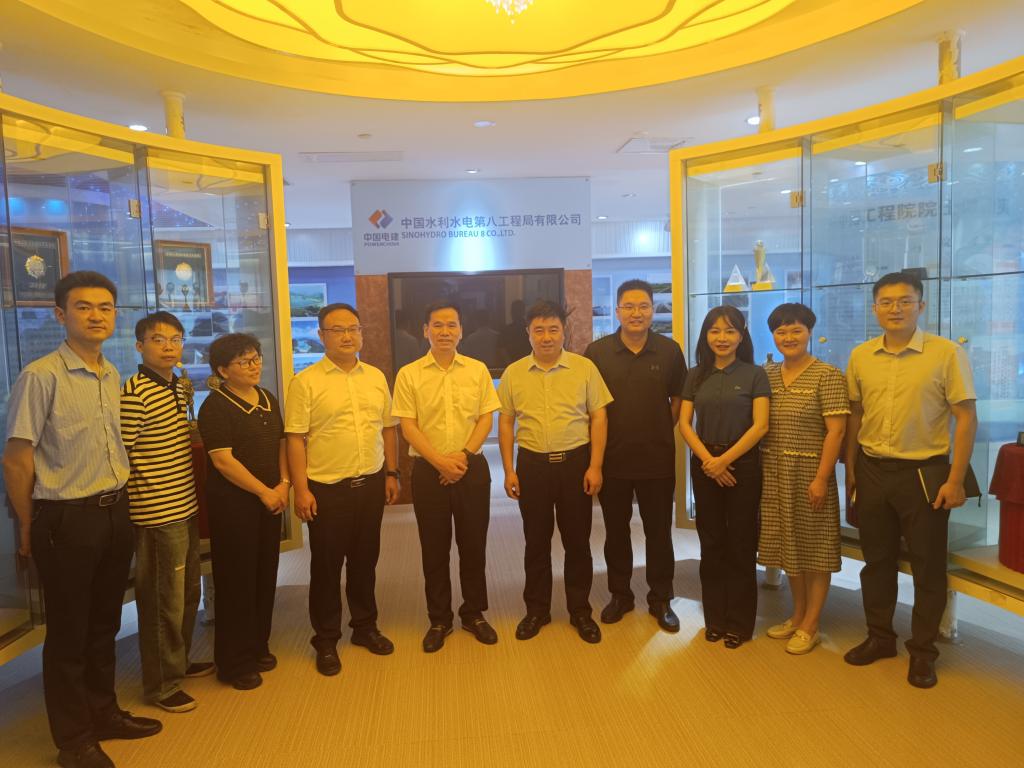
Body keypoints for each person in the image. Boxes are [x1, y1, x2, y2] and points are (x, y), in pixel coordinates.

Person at [3, 271, 161, 768]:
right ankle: (73, 742)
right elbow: (17, 460)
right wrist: (27, 526)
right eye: (84, 307)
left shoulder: (111, 372)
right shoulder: (41, 376)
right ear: (60, 314)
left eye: (105, 307)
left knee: (104, 624)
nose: (96, 316)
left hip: (114, 511)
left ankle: (103, 713)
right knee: (69, 634)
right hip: (65, 518)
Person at [844, 272, 977, 688]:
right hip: (871, 469)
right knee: (876, 562)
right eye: (886, 302)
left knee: (927, 567)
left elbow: (966, 417)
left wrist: (956, 480)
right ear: (874, 309)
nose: (895, 309)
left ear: (921, 306)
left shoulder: (946, 353)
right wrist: (851, 472)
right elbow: (855, 416)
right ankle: (880, 637)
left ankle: (922, 652)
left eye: (905, 301)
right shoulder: (861, 355)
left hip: (924, 473)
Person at [285, 303, 400, 677]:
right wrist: (301, 490)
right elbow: (295, 439)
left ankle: (365, 627)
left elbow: (388, 428)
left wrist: (391, 473)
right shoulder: (305, 382)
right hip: (327, 488)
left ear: (362, 333)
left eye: (353, 328)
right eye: (337, 330)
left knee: (365, 561)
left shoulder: (375, 377)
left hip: (370, 483)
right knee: (326, 566)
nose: (347, 336)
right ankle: (326, 639)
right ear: (321, 336)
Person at [498, 300, 613, 644]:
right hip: (532, 465)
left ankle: (580, 611)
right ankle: (537, 610)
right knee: (536, 542)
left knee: (577, 542)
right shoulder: (514, 372)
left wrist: (595, 465)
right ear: (528, 333)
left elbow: (599, 416)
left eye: (553, 329)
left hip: (575, 464)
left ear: (564, 331)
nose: (546, 337)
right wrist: (509, 470)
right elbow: (506, 422)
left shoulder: (584, 368)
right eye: (539, 330)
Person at [391, 301, 501, 653]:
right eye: (437, 325)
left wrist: (462, 457)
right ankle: (439, 619)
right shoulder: (409, 374)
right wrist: (440, 462)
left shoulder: (477, 370)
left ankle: (474, 613)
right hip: (428, 470)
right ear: (425, 330)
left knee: (473, 545)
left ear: (461, 330)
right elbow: (408, 426)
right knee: (434, 548)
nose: (445, 331)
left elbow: (486, 418)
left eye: (451, 325)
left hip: (472, 467)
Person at [121, 311, 214, 714]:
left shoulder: (178, 385)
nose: (169, 346)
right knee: (163, 601)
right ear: (139, 346)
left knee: (187, 592)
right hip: (156, 512)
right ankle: (161, 684)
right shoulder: (134, 392)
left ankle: (178, 662)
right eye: (158, 339)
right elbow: (121, 454)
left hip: (185, 505)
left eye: (176, 339)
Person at [584, 279, 687, 632]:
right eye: (628, 306)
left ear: (653, 310)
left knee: (659, 533)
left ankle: (661, 599)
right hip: (613, 459)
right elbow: (590, 407)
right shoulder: (597, 353)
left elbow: (678, 399)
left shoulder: (669, 350)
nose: (636, 313)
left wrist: (658, 427)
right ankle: (620, 595)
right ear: (617, 311)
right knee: (615, 532)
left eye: (643, 306)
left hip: (657, 459)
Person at [197, 333, 290, 691]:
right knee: (236, 581)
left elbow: (281, 443)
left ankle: (257, 646)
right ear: (223, 370)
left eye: (256, 358)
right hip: (234, 505)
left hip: (271, 499)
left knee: (264, 575)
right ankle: (233, 663)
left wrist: (283, 483)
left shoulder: (267, 398)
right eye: (244, 361)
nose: (254, 366)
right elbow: (223, 461)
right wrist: (264, 492)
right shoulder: (215, 406)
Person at [757, 303, 849, 655]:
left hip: (810, 473)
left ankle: (811, 624)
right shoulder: (766, 374)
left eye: (796, 330)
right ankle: (797, 615)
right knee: (788, 546)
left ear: (810, 332)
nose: (789, 337)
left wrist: (822, 478)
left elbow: (836, 432)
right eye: (781, 331)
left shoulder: (828, 375)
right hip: (773, 472)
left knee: (816, 548)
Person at [678, 305, 769, 649]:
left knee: (741, 543)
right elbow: (685, 423)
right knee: (711, 542)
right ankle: (714, 619)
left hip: (742, 466)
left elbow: (761, 425)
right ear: (706, 336)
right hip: (705, 465)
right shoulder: (695, 375)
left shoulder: (755, 374)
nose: (722, 337)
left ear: (741, 336)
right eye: (715, 330)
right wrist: (709, 461)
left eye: (730, 331)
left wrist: (725, 461)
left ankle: (740, 624)